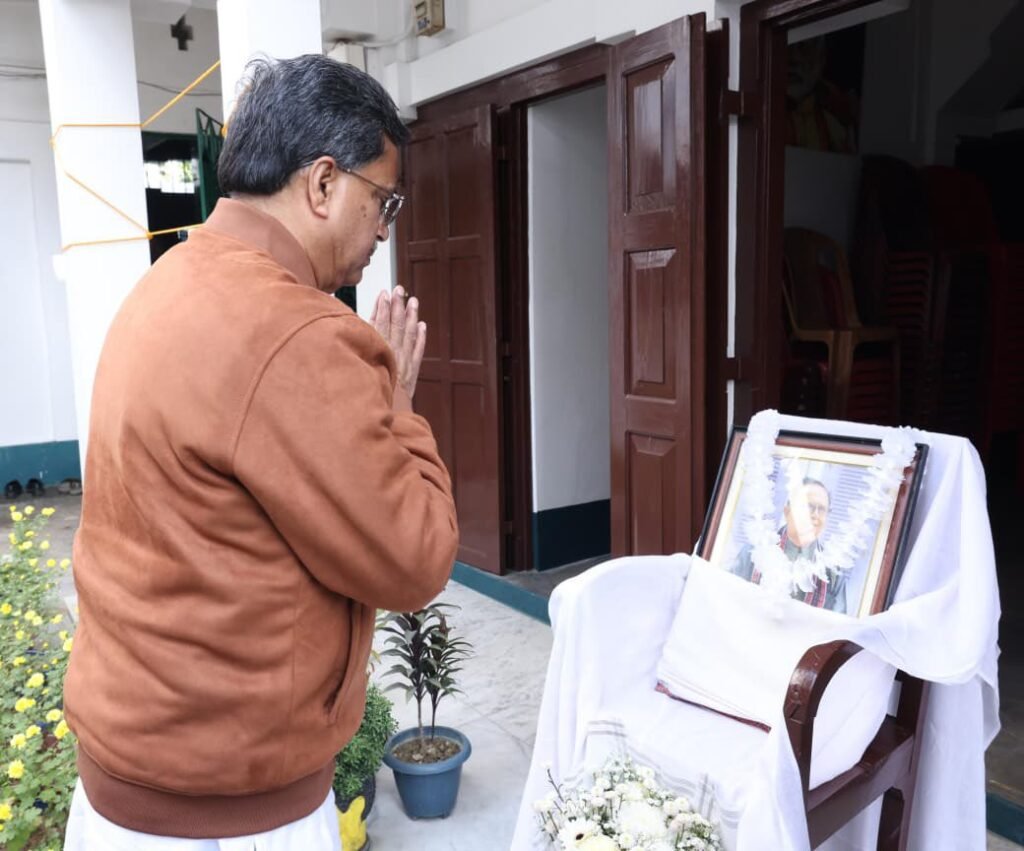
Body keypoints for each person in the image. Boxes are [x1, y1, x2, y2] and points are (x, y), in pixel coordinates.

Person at [61, 56, 459, 849]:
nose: (384, 231)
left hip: (122, 787)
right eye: (383, 201)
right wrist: (395, 401)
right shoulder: (293, 331)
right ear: (323, 183)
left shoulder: (165, 283)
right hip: (228, 814)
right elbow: (417, 557)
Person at [729, 477, 848, 613]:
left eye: (821, 509)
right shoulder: (753, 553)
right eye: (809, 506)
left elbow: (838, 623)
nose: (815, 515)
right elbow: (729, 602)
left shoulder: (833, 574)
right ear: (787, 511)